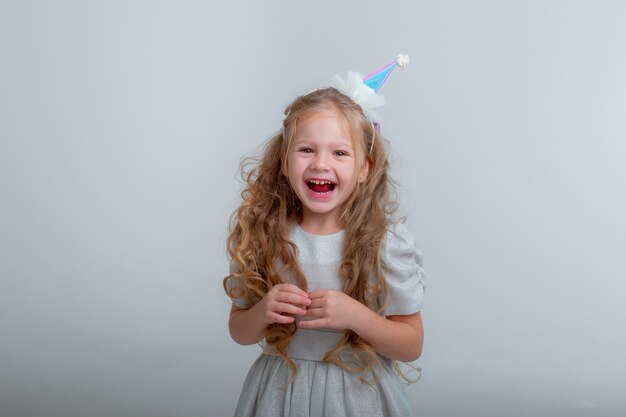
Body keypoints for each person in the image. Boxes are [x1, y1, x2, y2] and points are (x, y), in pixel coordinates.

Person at [223, 55, 426, 417]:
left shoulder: (384, 243)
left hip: (356, 395)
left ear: (364, 168)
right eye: (306, 149)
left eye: (339, 152)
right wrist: (262, 312)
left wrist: (356, 316)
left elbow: (411, 344)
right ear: (284, 161)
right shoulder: (267, 234)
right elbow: (239, 331)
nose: (320, 163)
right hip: (279, 392)